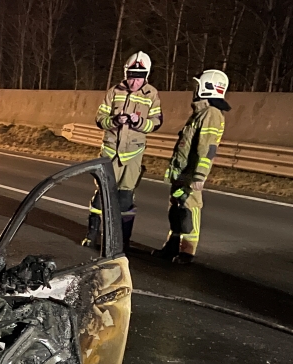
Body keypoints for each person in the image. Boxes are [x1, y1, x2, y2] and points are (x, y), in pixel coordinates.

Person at [84, 52, 162, 252]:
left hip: (133, 155)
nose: (135, 82)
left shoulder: (151, 94)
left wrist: (139, 122)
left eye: (139, 78)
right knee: (102, 195)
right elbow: (100, 118)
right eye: (131, 77)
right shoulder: (114, 91)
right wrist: (114, 121)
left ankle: (123, 241)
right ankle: (92, 235)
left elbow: (156, 122)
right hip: (110, 152)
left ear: (146, 76)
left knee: (126, 199)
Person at [155, 69, 230, 264]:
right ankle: (172, 245)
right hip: (183, 171)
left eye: (198, 86)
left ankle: (187, 251)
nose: (195, 90)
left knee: (190, 208)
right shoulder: (201, 113)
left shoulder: (211, 114)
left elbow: (207, 148)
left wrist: (200, 175)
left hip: (191, 172)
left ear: (207, 88)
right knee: (177, 208)